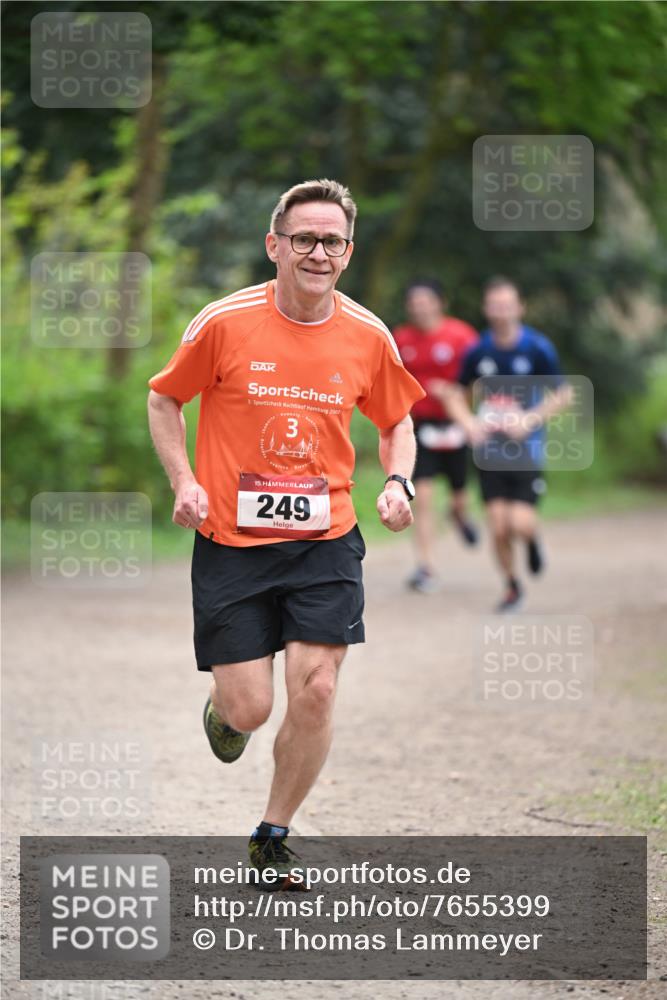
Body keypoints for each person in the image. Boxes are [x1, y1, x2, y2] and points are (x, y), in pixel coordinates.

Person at [147, 179, 424, 889]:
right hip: (231, 542)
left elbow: (395, 421)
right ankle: (225, 712)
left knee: (318, 689)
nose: (317, 252)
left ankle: (273, 833)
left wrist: (398, 482)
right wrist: (184, 480)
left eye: (330, 240)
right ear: (275, 245)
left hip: (324, 538)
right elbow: (164, 397)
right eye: (303, 238)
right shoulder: (225, 322)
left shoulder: (366, 333)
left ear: (348, 252)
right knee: (252, 706)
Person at [433, 277, 572, 612]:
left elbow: (564, 395)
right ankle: (511, 586)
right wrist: (469, 425)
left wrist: (529, 420)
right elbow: (455, 394)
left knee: (518, 523)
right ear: (486, 309)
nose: (501, 312)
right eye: (495, 305)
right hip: (490, 452)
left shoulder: (537, 348)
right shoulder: (479, 351)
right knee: (497, 526)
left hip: (525, 451)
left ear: (520, 307)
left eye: (507, 305)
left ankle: (532, 540)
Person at [394, 279, 479, 593]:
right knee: (423, 497)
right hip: (421, 428)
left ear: (440, 302)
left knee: (459, 497)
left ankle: (460, 515)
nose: (420, 307)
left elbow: (481, 379)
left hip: (456, 426)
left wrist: (457, 394)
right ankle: (426, 567)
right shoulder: (401, 339)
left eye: (426, 301)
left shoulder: (462, 336)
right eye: (414, 302)